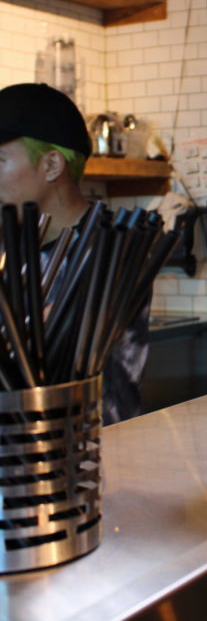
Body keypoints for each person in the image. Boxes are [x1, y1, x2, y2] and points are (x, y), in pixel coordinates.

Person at [0, 82, 150, 424]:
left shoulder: (116, 245)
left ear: (52, 165)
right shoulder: (9, 247)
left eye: (0, 159)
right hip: (16, 459)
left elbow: (39, 339)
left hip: (94, 454)